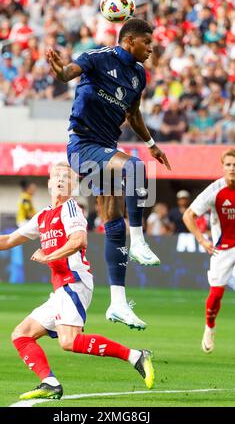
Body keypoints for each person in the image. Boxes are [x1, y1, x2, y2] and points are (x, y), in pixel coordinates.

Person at [0, 162, 154, 400]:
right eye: (57, 176)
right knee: (21, 334)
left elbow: (79, 241)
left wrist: (47, 256)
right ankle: (49, 382)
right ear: (49, 183)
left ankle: (135, 356)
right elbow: (9, 240)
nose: (61, 179)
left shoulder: (70, 208)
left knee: (68, 341)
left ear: (73, 187)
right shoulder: (43, 215)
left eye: (67, 177)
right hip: (61, 288)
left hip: (75, 282)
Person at [46, 18, 171, 330]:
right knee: (134, 166)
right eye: (146, 42)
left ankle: (117, 303)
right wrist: (59, 69)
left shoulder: (139, 75)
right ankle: (140, 240)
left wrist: (152, 143)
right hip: (82, 146)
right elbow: (67, 74)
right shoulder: (96, 58)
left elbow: (134, 114)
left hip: (104, 149)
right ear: (129, 41)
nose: (151, 48)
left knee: (113, 223)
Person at [183, 149, 235, 353]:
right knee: (216, 295)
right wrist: (202, 240)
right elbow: (188, 215)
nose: (232, 168)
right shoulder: (214, 191)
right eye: (228, 165)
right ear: (223, 167)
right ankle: (210, 327)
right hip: (223, 248)